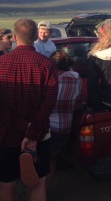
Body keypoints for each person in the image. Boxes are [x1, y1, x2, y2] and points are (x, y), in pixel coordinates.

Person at [0, 19, 59, 199]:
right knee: (37, 183)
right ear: (35, 37)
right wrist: (32, 134)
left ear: (15, 37)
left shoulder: (1, 63)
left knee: (6, 185)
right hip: (39, 135)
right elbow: (48, 103)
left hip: (6, 134)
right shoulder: (46, 64)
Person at [46, 50, 80, 191]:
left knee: (44, 161)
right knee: (52, 159)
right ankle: (44, 190)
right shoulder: (76, 77)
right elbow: (79, 101)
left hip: (46, 128)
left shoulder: (48, 79)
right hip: (64, 129)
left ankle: (39, 190)